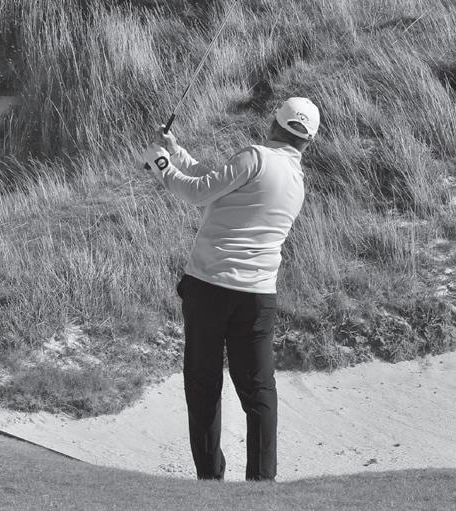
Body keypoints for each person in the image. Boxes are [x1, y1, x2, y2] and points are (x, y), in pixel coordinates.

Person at [141, 97, 320, 481]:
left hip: (209, 288)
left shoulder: (255, 156)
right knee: (259, 391)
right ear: (309, 141)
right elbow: (219, 185)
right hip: (258, 297)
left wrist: (159, 163)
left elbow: (199, 193)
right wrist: (177, 152)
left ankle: (210, 480)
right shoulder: (296, 181)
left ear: (273, 123)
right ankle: (262, 484)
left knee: (203, 385)